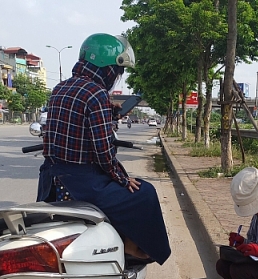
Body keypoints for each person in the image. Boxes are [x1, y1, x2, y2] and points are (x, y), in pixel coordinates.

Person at [36, 33, 171, 265]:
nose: (116, 77)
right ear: (106, 68)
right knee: (144, 192)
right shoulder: (96, 94)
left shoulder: (60, 88)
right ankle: (134, 248)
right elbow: (103, 153)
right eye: (117, 71)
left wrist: (108, 111)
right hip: (83, 184)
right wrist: (122, 177)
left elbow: (76, 117)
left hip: (51, 179)